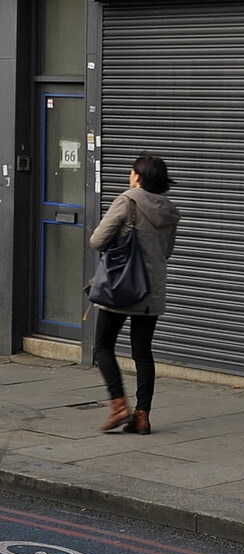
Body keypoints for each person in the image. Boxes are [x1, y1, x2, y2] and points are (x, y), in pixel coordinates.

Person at [89, 152, 179, 435]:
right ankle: (142, 416)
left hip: (121, 289)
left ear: (137, 177)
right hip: (151, 291)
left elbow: (97, 240)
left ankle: (118, 406)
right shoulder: (169, 210)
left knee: (103, 346)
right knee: (142, 352)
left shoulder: (127, 201)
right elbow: (167, 252)